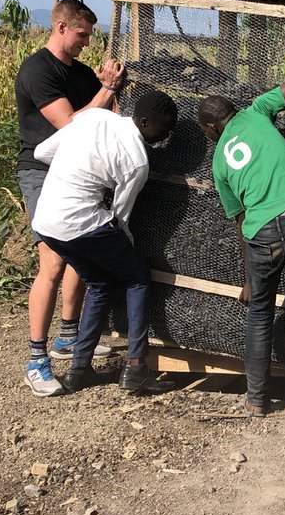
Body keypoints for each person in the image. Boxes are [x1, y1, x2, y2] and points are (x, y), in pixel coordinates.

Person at [197, 4, 285, 426]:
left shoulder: (219, 163)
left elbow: (240, 224)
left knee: (259, 313)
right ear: (233, 112)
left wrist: (249, 281)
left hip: (263, 236)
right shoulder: (257, 110)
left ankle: (257, 402)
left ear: (212, 130)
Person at [31, 90, 179, 396]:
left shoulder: (95, 117)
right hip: (79, 223)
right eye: (163, 130)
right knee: (137, 277)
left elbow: (42, 153)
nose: (164, 138)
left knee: (99, 282)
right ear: (144, 122)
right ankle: (136, 368)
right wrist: (127, 247)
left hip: (46, 222)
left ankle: (79, 370)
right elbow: (121, 217)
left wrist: (78, 167)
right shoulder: (137, 161)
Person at [15, 0, 125, 396]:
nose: (86, 42)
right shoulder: (37, 71)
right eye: (82, 34)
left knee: (80, 251)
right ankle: (36, 360)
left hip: (78, 172)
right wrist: (107, 88)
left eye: (90, 36)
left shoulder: (79, 73)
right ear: (61, 27)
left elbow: (106, 113)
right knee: (53, 260)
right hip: (41, 171)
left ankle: (67, 336)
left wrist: (110, 88)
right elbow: (69, 124)